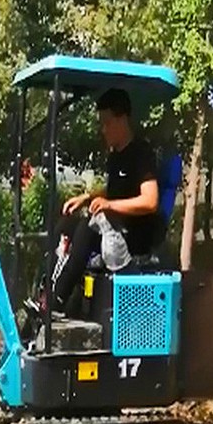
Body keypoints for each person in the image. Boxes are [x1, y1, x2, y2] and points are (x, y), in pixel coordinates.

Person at [49, 88, 160, 313]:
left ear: (122, 119)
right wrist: (87, 197)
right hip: (114, 228)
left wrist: (108, 205)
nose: (103, 129)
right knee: (65, 224)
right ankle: (47, 293)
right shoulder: (116, 156)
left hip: (135, 235)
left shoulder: (141, 153)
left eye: (107, 122)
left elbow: (150, 201)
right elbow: (114, 193)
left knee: (86, 227)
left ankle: (56, 302)